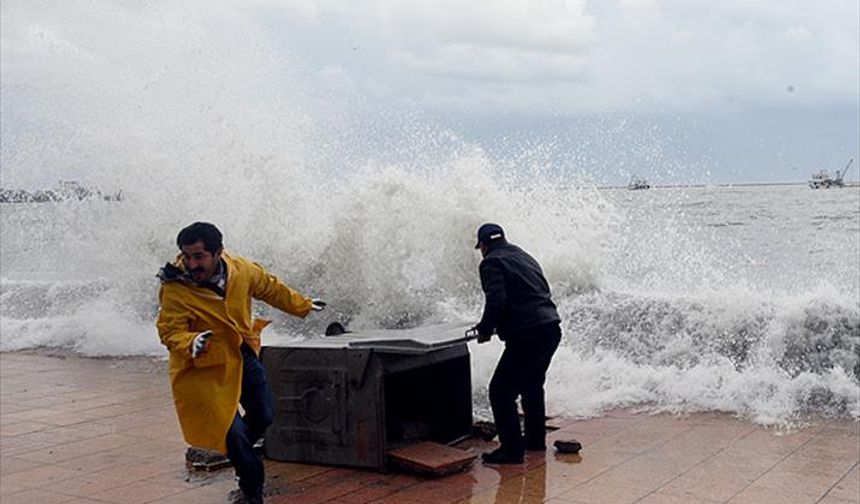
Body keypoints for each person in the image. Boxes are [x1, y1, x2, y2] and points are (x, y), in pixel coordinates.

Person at [156, 222, 325, 504]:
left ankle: (233, 450)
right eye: (187, 256)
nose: (191, 264)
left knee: (264, 415)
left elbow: (270, 288)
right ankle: (251, 490)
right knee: (232, 432)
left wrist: (303, 305)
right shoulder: (175, 288)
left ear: (218, 252)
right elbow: (169, 331)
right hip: (203, 366)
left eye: (199, 256)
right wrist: (190, 341)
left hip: (241, 351)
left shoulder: (241, 270)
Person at [468, 223, 562, 464]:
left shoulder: (490, 262)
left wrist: (486, 329)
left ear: (484, 246)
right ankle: (534, 440)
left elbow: (496, 300)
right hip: (550, 328)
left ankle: (511, 450)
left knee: (500, 392)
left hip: (528, 334)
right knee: (532, 385)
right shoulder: (523, 256)